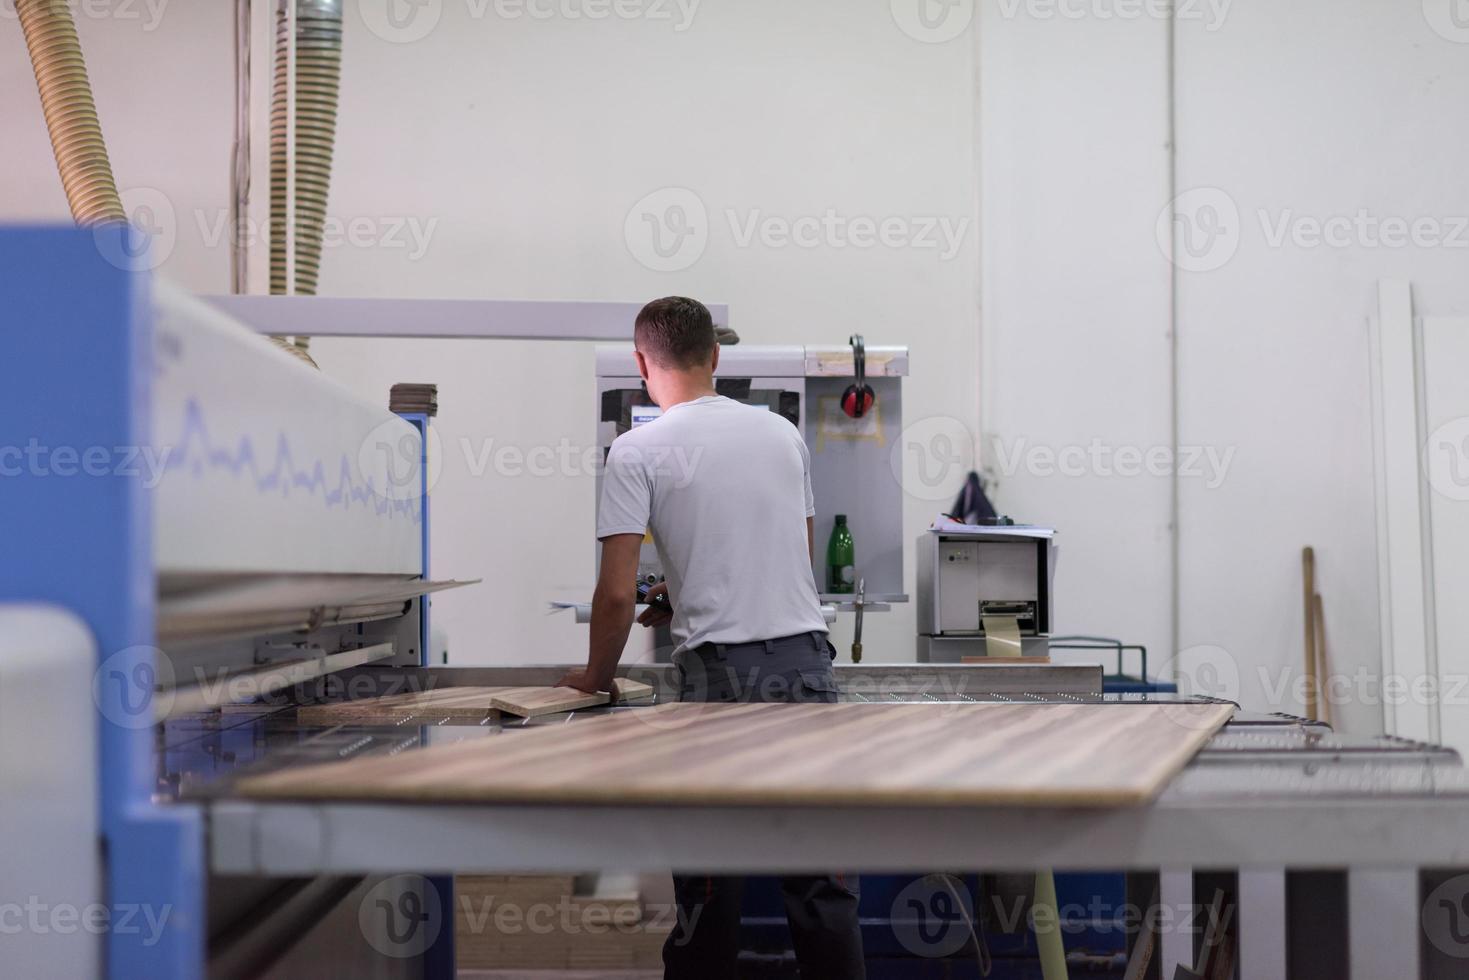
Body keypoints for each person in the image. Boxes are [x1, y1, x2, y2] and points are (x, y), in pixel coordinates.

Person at [556, 296, 865, 979]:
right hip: (805, 669)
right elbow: (795, 557)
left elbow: (613, 595)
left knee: (706, 892)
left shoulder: (636, 450)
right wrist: (690, 588)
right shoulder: (781, 435)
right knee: (821, 889)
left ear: (641, 364)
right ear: (715, 356)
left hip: (719, 686)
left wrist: (593, 678)